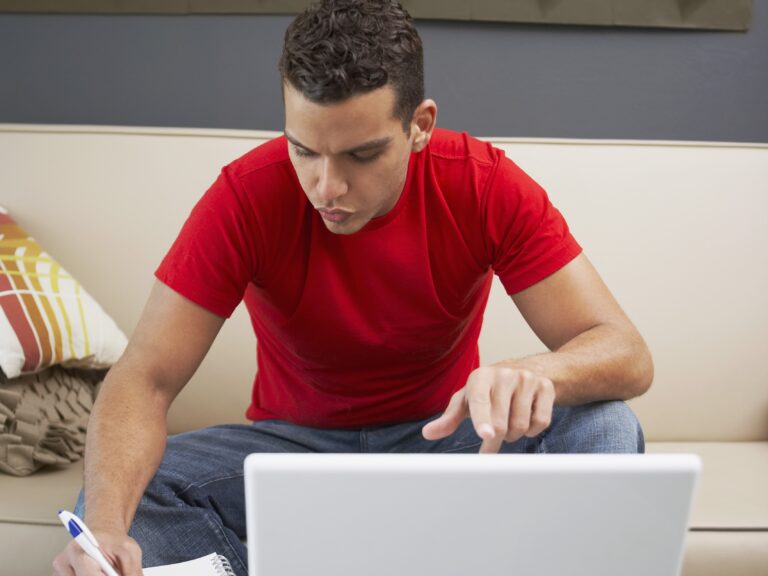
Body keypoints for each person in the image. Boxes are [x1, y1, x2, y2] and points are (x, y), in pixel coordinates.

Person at [53, 1, 653, 575]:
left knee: (604, 426)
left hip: (444, 445)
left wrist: (538, 372)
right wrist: (107, 526)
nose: (326, 186)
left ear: (419, 126)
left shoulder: (484, 183)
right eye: (303, 150)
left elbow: (625, 352)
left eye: (360, 155)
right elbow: (144, 378)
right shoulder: (244, 196)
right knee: (120, 498)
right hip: (291, 456)